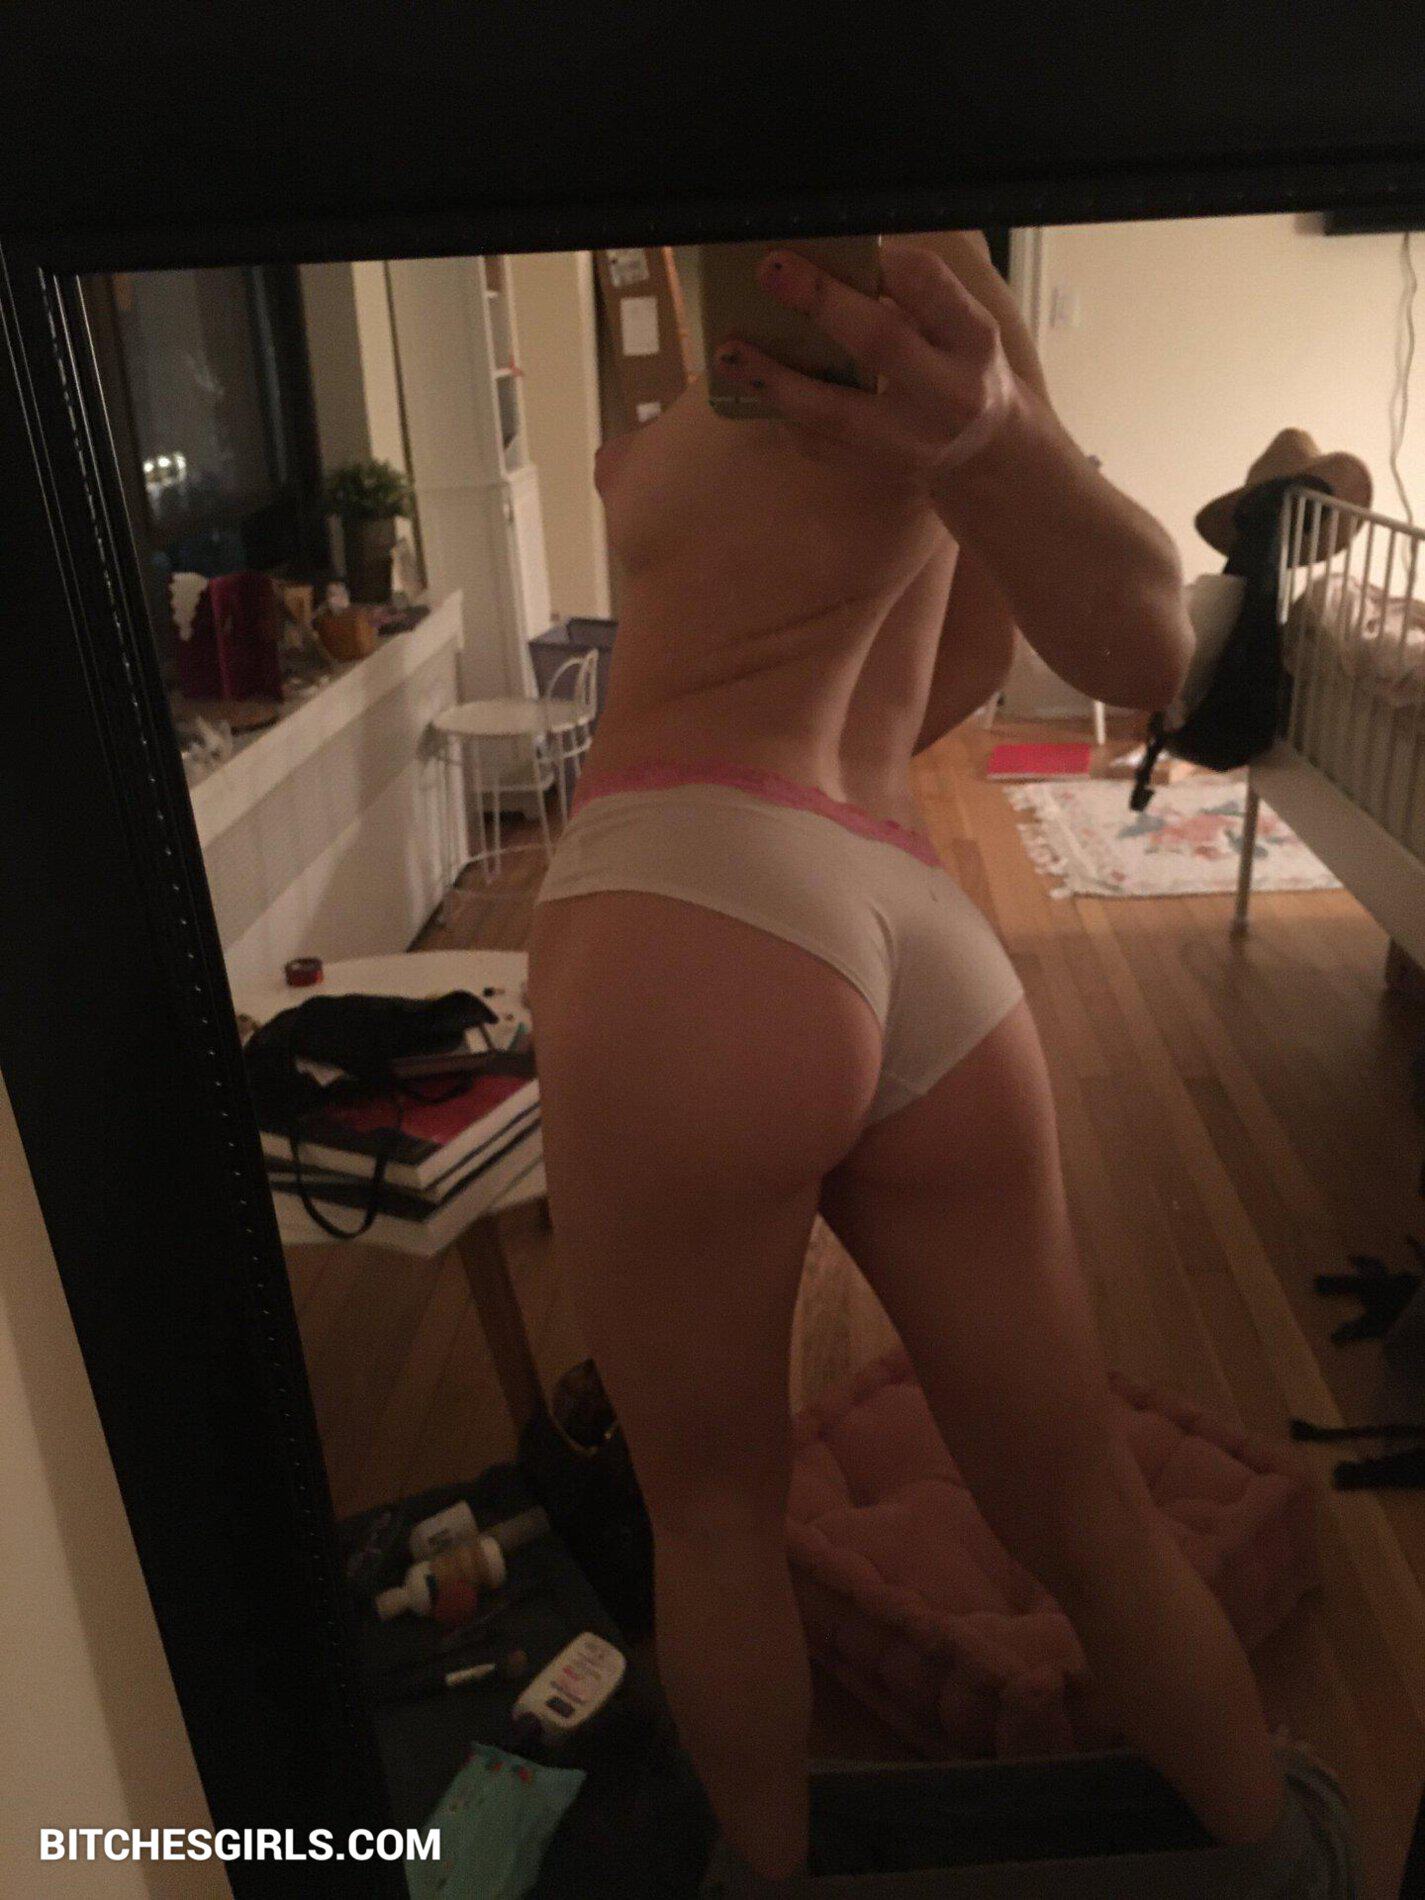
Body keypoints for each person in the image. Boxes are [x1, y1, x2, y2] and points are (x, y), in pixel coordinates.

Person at [527, 234, 1287, 1882]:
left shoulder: (877, 266)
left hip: (685, 890)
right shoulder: (928, 278)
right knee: (1084, 1502)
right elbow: (984, 644)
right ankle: (1275, 1852)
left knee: (711, 1522)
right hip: (904, 906)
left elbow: (1138, 643)